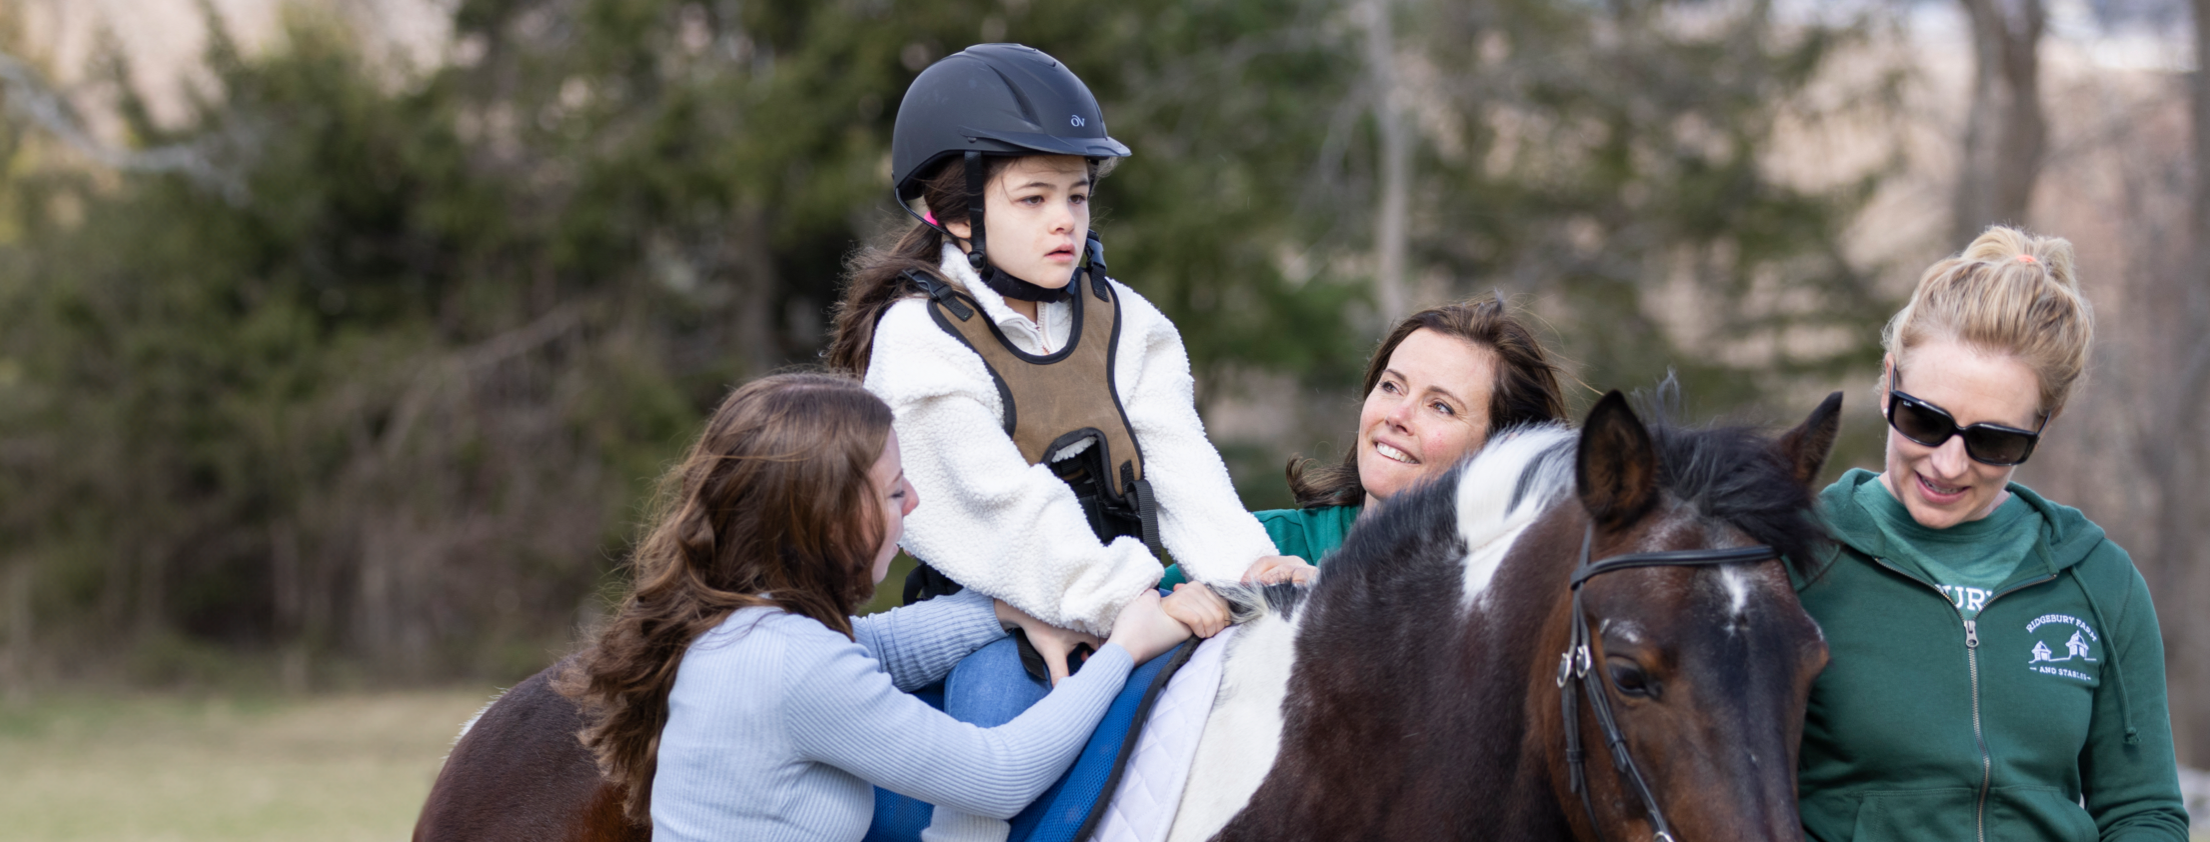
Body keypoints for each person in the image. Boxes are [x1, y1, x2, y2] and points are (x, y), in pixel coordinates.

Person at [824, 44, 1300, 839]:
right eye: (1035, 197)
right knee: (1000, 788)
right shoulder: (918, 340)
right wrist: (1133, 607)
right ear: (955, 213)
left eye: (1077, 197)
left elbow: (1182, 466)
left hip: (1141, 598)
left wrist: (1253, 569)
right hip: (1001, 621)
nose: (1065, 222)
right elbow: (1006, 514)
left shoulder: (1129, 321)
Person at [556, 372, 1192, 842]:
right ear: (824, 521)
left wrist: (1003, 610)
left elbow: (874, 645)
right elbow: (998, 775)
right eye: (893, 492)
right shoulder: (788, 659)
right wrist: (1124, 648)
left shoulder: (741, 624)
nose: (913, 502)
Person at [1794, 227, 2191, 840]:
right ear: (1888, 382)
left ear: (2044, 424)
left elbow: (2144, 812)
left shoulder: (2098, 581)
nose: (1948, 465)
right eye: (1923, 420)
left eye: (1993, 440)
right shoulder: (1796, 562)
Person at [1174, 294, 1568, 588]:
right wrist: (1180, 612)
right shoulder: (1257, 544)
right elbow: (1122, 618)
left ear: (1504, 451)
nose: (1396, 416)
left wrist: (1328, 600)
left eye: (1441, 407)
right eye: (1392, 386)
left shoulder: (1517, 599)